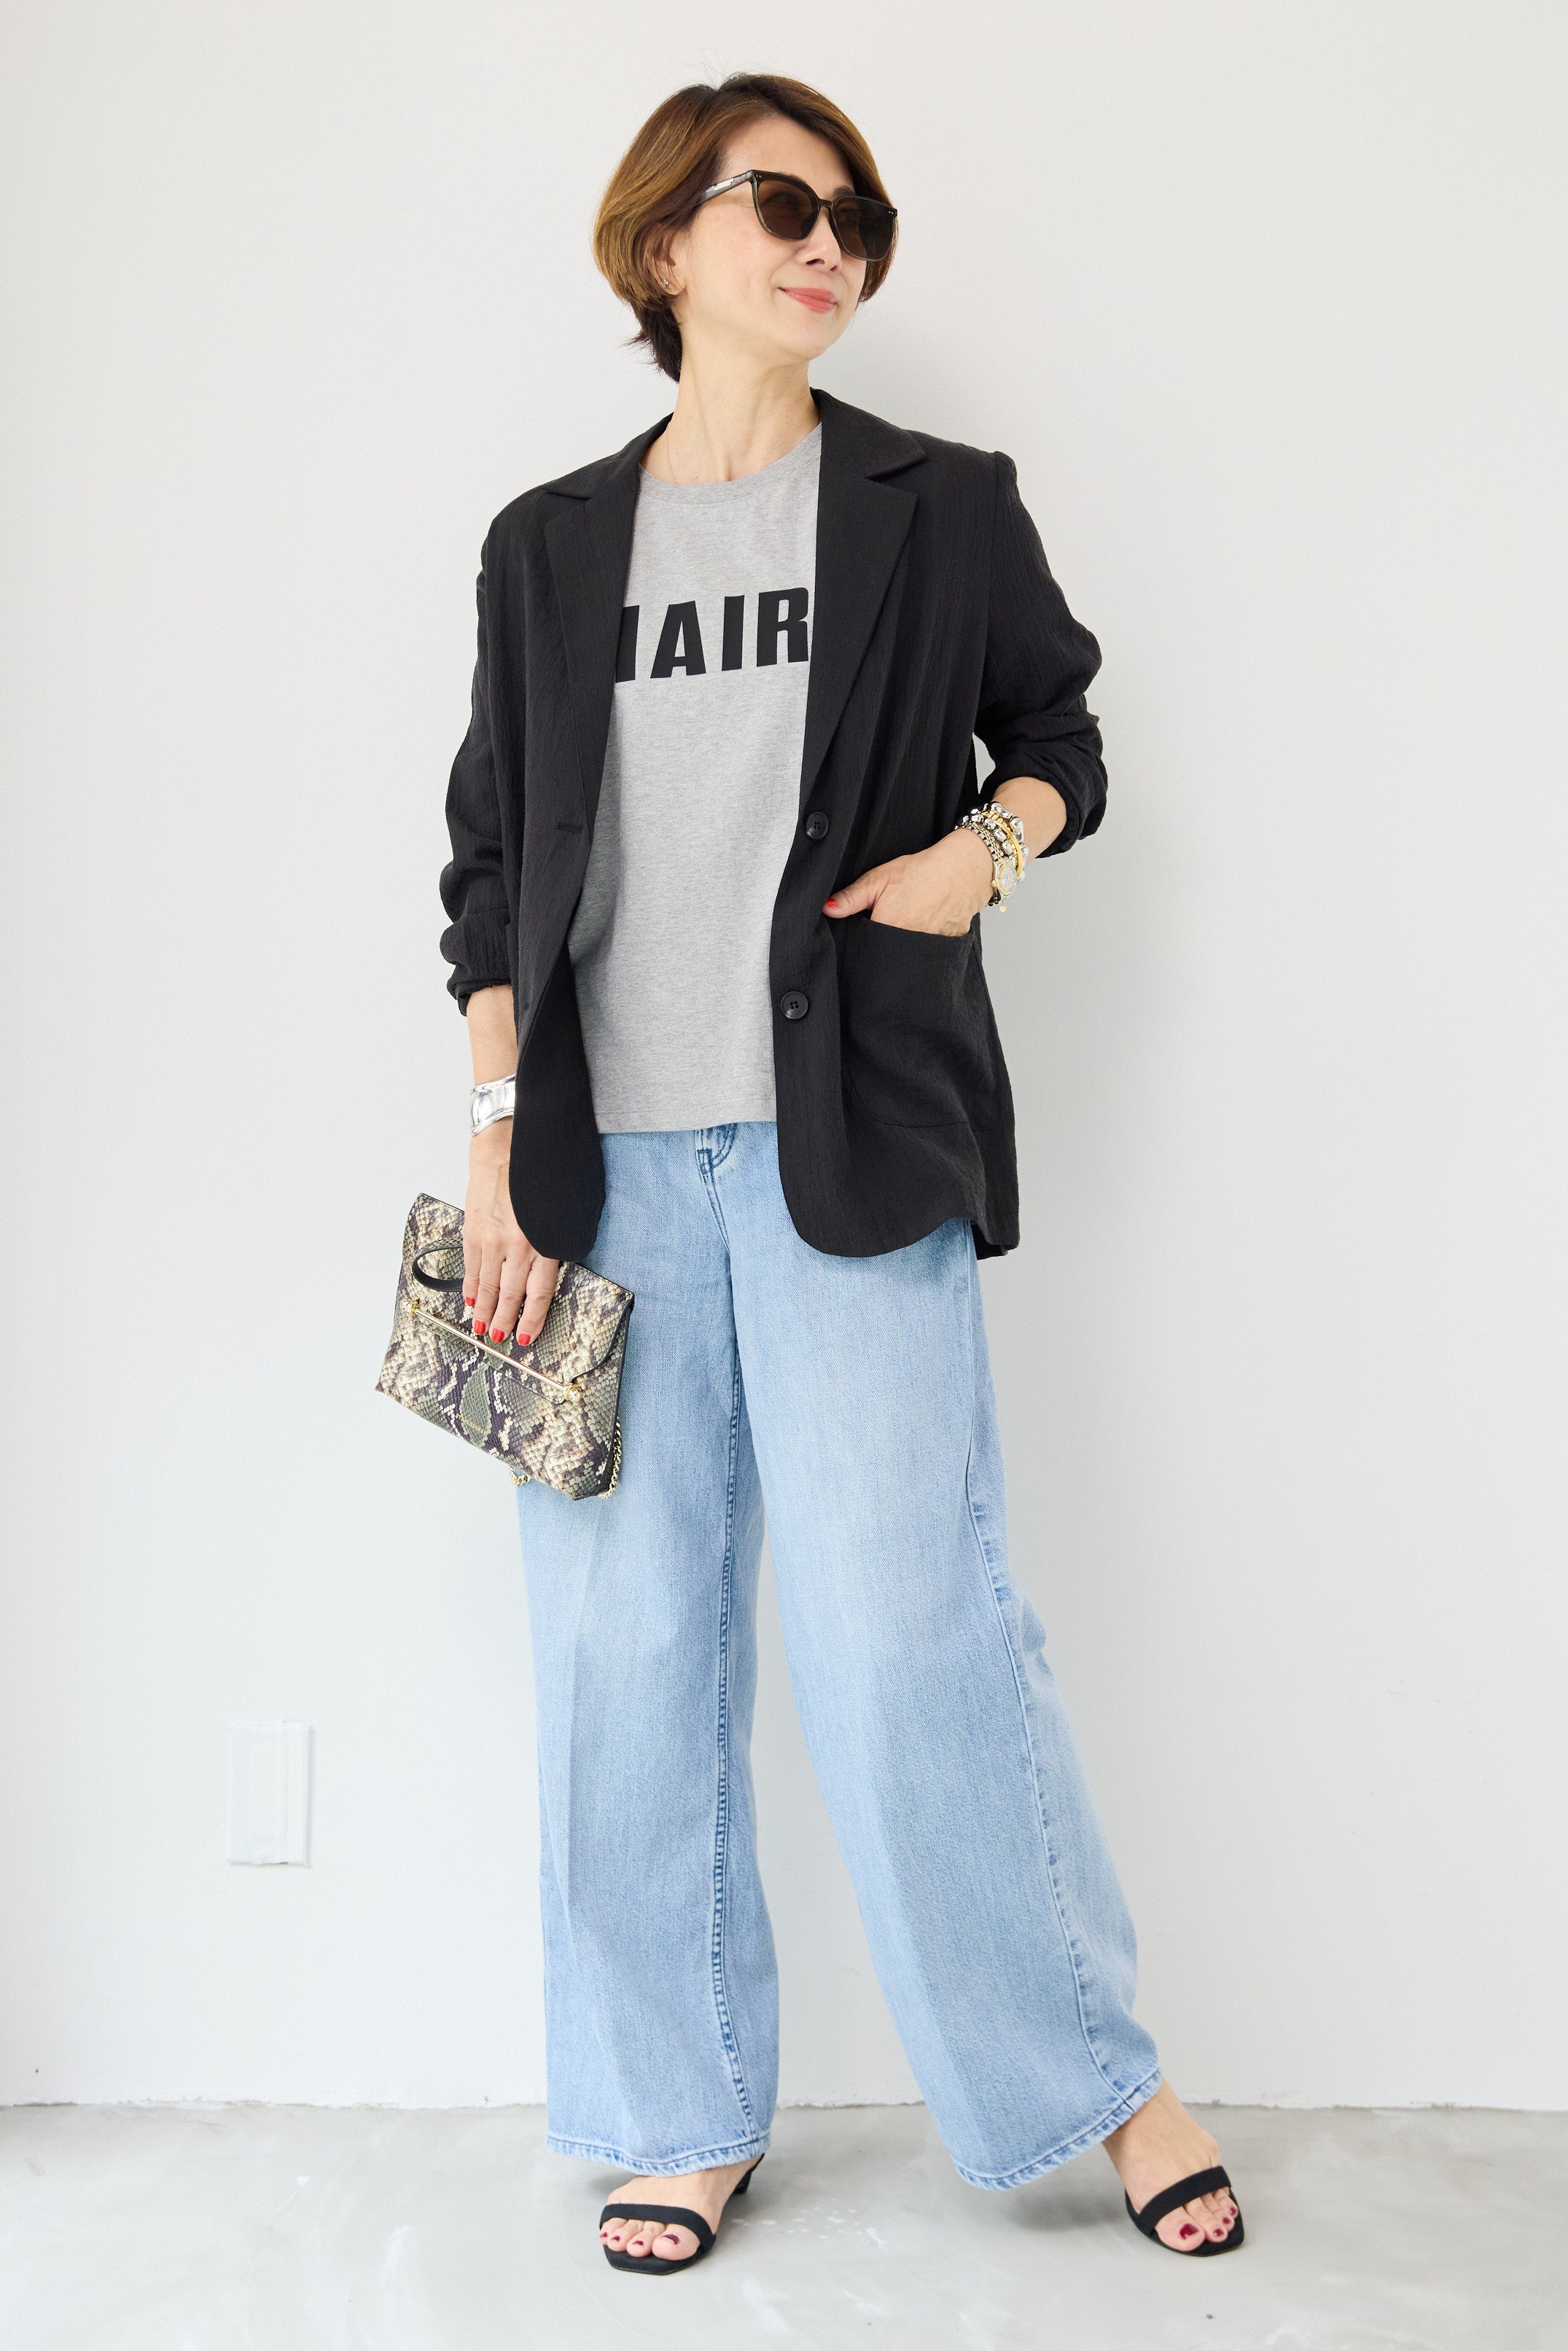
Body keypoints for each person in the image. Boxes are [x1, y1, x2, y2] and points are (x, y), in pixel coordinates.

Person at [437, 71, 1244, 2275]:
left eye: (857, 218)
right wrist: (497, 1144)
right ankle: (672, 2108)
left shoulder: (936, 506)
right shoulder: (545, 546)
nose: (828, 245)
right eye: (782, 204)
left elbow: (1062, 736)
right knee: (624, 1660)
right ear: (666, 244)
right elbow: (490, 867)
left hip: (851, 1147)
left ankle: (1100, 2079)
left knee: (913, 1636)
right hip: (597, 1176)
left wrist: (986, 855)